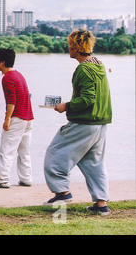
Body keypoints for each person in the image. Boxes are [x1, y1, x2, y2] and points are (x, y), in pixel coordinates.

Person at [43, 29, 112, 215]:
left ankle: (62, 192)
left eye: (70, 46)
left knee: (55, 153)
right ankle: (101, 205)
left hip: (85, 122)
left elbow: (88, 98)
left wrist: (66, 106)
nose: (68, 49)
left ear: (76, 47)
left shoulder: (84, 69)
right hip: (100, 123)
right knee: (93, 163)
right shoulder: (99, 64)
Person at [0, 48, 34, 189]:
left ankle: (2, 179)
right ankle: (26, 178)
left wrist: (7, 119)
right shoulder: (19, 75)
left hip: (17, 117)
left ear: (2, 62)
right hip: (28, 117)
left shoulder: (7, 78)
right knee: (24, 151)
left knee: (7, 150)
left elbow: (11, 100)